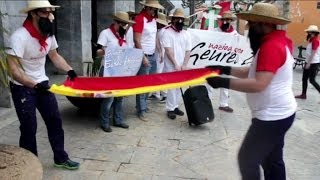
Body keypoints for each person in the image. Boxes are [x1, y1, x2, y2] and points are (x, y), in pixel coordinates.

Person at [206, 3, 297, 179]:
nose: (249, 30)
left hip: (272, 117)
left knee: (247, 159)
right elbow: (254, 71)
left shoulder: (271, 46)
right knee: (272, 159)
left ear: (264, 24)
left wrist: (223, 83)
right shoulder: (273, 41)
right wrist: (225, 69)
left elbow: (258, 84)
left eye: (252, 25)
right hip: (281, 113)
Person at [6, 0, 79, 170]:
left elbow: (54, 56)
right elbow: (14, 70)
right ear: (33, 13)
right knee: (29, 127)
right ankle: (29, 165)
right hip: (22, 87)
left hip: (42, 83)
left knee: (55, 121)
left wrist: (69, 70)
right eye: (46, 12)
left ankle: (60, 158)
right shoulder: (19, 37)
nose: (50, 16)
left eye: (51, 12)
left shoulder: (48, 34)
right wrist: (34, 85)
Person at [96, 11, 134, 132]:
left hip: (120, 70)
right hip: (108, 70)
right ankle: (104, 122)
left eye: (126, 25)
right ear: (116, 22)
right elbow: (97, 52)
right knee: (109, 98)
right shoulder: (105, 33)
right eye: (123, 24)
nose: (125, 27)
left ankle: (118, 120)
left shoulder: (124, 36)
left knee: (120, 97)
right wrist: (107, 51)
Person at [132, 0, 164, 121]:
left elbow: (154, 37)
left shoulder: (154, 20)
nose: (154, 11)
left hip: (152, 55)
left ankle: (143, 105)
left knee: (150, 83)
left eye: (155, 9)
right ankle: (141, 110)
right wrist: (143, 57)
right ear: (147, 7)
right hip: (143, 55)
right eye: (152, 8)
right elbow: (136, 40)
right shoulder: (140, 19)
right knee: (142, 84)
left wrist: (160, 50)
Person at [161, 8, 192, 120]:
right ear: (173, 19)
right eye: (177, 18)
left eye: (181, 19)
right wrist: (175, 64)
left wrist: (184, 64)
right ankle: (170, 109)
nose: (179, 21)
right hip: (171, 64)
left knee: (180, 86)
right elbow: (168, 50)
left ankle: (176, 106)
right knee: (172, 86)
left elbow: (188, 50)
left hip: (181, 64)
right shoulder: (166, 33)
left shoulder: (186, 34)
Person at [216, 11, 238, 113]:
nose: (225, 22)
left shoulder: (235, 34)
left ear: (230, 21)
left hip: (227, 62)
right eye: (224, 20)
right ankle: (205, 102)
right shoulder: (215, 32)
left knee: (225, 83)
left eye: (227, 20)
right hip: (214, 61)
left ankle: (223, 104)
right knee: (210, 82)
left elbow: (238, 47)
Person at [295, 25, 320, 99]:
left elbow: (313, 52)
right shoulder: (312, 40)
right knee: (304, 78)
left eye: (309, 32)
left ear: (314, 33)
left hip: (313, 63)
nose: (308, 33)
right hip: (309, 61)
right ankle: (303, 94)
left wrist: (309, 63)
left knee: (312, 80)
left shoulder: (315, 40)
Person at [148, 12, 168, 103]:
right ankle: (156, 93)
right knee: (157, 74)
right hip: (158, 54)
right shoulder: (160, 31)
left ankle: (163, 94)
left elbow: (162, 45)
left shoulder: (163, 32)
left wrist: (161, 54)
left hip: (160, 55)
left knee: (159, 74)